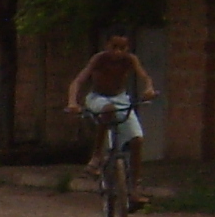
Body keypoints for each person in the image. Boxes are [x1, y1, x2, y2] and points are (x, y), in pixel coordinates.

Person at [66, 33, 159, 206]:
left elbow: (145, 77)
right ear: (107, 45)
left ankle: (134, 189)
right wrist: (72, 102)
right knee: (108, 110)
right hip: (98, 99)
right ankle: (97, 155)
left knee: (137, 139)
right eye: (114, 47)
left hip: (121, 99)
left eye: (122, 48)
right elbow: (78, 81)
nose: (118, 52)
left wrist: (149, 89)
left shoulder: (130, 60)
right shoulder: (99, 59)